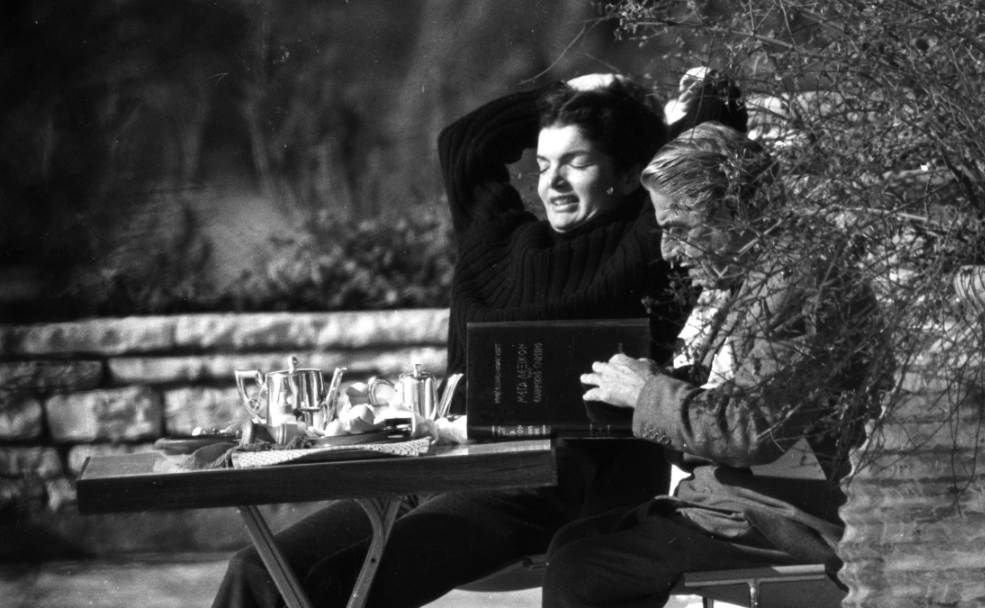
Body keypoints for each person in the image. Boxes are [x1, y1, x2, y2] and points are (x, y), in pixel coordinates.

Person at [213, 71, 743, 608]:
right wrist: (567, 95)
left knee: (334, 586)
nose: (554, 183)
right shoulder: (496, 238)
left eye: (577, 163)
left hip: (543, 485)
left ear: (628, 175)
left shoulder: (648, 245)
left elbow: (716, 118)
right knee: (258, 570)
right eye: (543, 165)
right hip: (442, 467)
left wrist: (630, 106)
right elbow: (464, 141)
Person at [541, 121, 888, 608]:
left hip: (788, 516)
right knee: (573, 543)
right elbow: (728, 402)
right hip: (738, 503)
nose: (668, 252)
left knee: (584, 569)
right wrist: (638, 392)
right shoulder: (749, 277)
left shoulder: (797, 282)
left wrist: (647, 393)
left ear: (734, 210)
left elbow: (752, 430)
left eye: (678, 230)